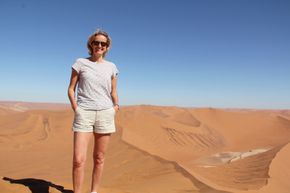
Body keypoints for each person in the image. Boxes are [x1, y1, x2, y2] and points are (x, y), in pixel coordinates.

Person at [68, 29, 119, 193]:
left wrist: (115, 107)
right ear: (91, 44)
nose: (99, 45)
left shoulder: (112, 67)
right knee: (78, 160)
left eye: (103, 43)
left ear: (107, 47)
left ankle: (94, 191)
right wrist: (77, 108)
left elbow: (113, 91)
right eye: (96, 42)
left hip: (105, 113)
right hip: (85, 113)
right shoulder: (80, 63)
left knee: (99, 158)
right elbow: (71, 89)